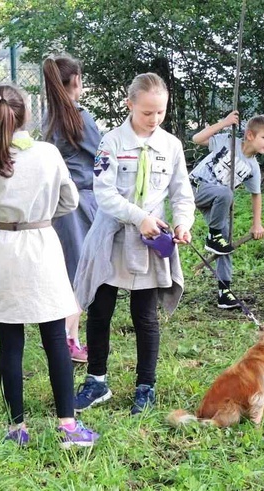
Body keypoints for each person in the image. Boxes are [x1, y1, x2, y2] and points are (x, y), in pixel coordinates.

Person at [0, 84, 99, 448]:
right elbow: (69, 199)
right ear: (27, 114)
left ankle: (16, 428)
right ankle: (67, 425)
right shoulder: (48, 154)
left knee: (10, 343)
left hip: (5, 248)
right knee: (54, 338)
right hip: (42, 245)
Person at [72, 73, 195, 415]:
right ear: (129, 105)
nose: (154, 119)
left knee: (145, 315)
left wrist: (184, 222)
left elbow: (181, 193)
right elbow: (104, 192)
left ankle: (146, 386)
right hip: (113, 234)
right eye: (147, 113)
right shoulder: (111, 142)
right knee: (100, 309)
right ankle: (96, 381)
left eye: (160, 113)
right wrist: (136, 216)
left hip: (150, 240)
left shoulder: (171, 145)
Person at [42, 54, 102, 364]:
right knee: (80, 273)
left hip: (58, 202)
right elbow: (103, 157)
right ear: (76, 81)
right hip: (81, 202)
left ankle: (69, 338)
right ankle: (68, 340)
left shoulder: (49, 117)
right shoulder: (80, 117)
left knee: (69, 270)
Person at [188, 111, 264, 309]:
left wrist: (257, 224)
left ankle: (224, 293)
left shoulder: (253, 168)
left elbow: (256, 195)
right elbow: (196, 138)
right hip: (195, 188)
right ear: (250, 135)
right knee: (226, 194)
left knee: (225, 243)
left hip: (216, 201)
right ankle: (213, 235)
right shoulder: (228, 142)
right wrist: (225, 123)